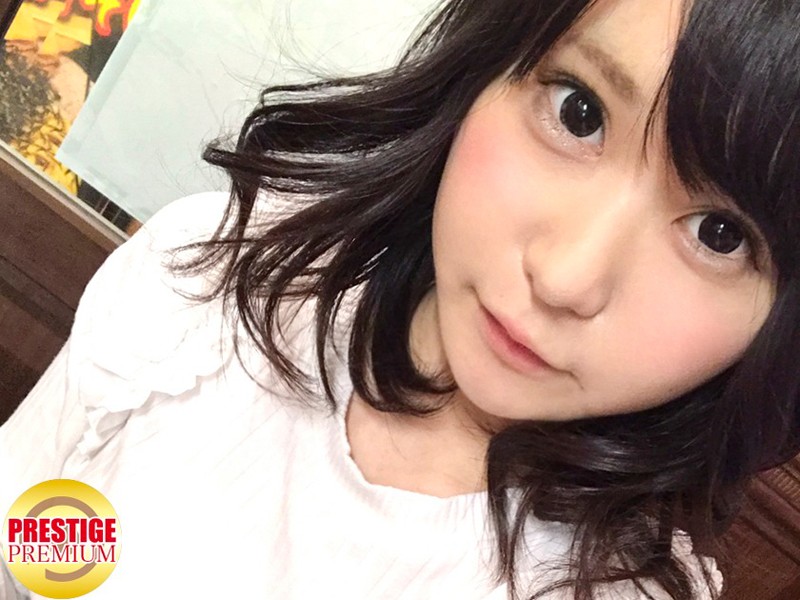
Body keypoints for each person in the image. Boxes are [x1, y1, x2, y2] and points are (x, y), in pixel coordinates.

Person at [2, 0, 799, 597]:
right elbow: (35, 548)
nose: (565, 277)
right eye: (578, 112)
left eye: (720, 235)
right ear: (488, 65)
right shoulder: (210, 284)